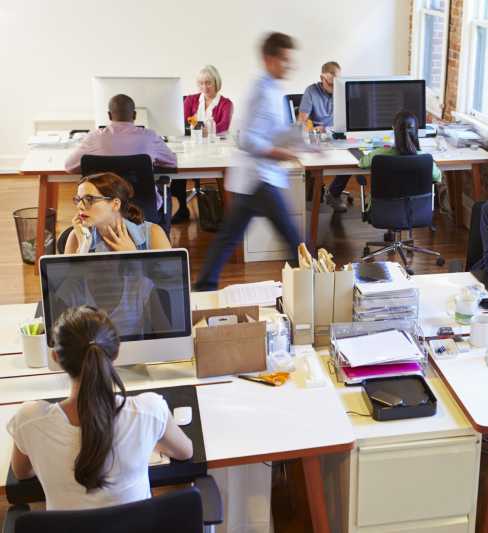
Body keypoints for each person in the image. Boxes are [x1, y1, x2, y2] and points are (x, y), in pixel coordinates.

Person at [7, 306, 193, 510]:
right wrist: (150, 441)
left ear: (56, 357)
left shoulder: (29, 420)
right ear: (116, 352)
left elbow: (22, 472)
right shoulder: (149, 411)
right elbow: (185, 452)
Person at [193, 33, 303, 292]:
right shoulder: (260, 91)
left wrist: (303, 141)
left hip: (255, 178)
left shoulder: (275, 90)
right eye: (285, 60)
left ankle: (203, 286)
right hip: (258, 177)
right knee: (294, 239)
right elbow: (245, 138)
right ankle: (313, 289)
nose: (290, 66)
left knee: (229, 237)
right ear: (269, 59)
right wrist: (279, 153)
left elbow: (274, 130)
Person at [64, 95, 177, 218]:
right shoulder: (149, 137)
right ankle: (160, 233)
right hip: (143, 207)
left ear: (109, 115)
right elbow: (172, 162)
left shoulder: (94, 138)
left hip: (103, 207)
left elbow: (69, 166)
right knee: (166, 192)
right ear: (134, 115)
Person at [172, 65, 234, 224]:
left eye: (208, 83)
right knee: (177, 169)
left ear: (216, 83)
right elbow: (183, 123)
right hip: (192, 146)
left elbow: (223, 126)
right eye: (201, 83)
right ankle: (181, 210)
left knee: (224, 171)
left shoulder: (226, 104)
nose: (204, 87)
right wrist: (202, 129)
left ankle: (224, 212)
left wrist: (201, 129)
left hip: (215, 148)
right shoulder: (190, 100)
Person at [65, 172, 172, 254]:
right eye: (78, 200)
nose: (80, 206)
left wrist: (133, 258)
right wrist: (83, 249)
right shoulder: (77, 236)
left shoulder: (153, 234)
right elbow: (69, 282)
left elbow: (170, 282)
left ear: (115, 204)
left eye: (89, 199)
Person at [296, 61, 351, 214]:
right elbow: (302, 120)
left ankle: (333, 194)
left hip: (337, 135)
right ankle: (309, 200)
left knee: (352, 159)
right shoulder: (311, 92)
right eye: (332, 84)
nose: (335, 88)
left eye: (337, 83)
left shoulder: (343, 90)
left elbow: (349, 118)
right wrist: (311, 128)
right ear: (322, 78)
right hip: (317, 137)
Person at [358, 110, 442, 182]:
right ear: (416, 130)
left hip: (385, 201)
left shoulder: (379, 154)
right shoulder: (425, 158)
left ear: (394, 128)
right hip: (416, 201)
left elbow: (361, 163)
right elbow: (438, 177)